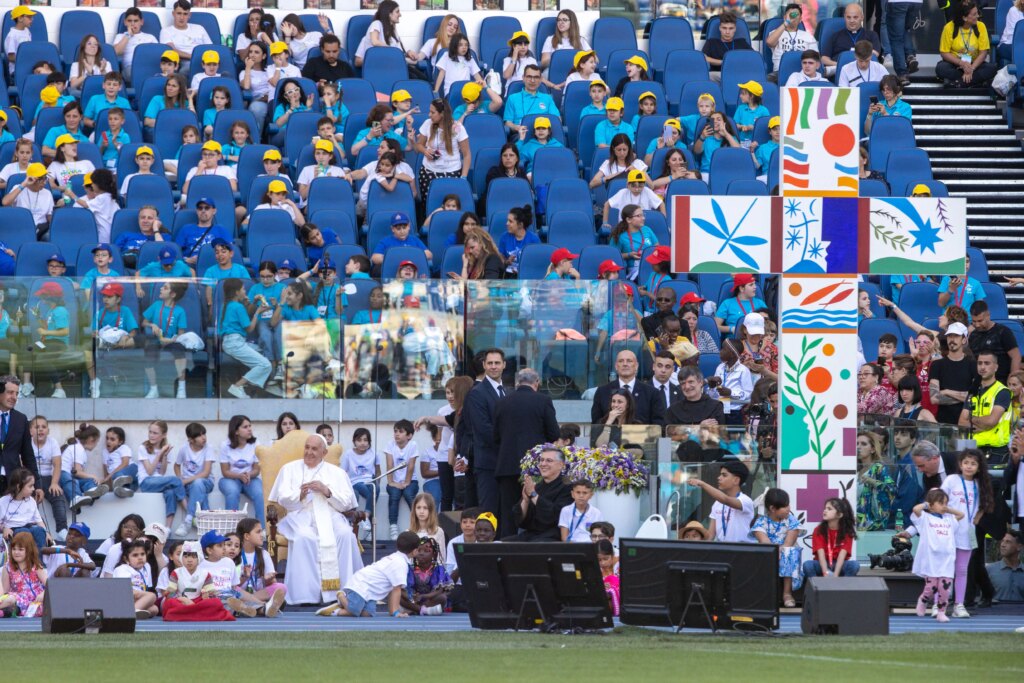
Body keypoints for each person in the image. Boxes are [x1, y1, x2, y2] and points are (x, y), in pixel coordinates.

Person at [268, 434, 362, 606]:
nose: (309, 452)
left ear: (324, 452)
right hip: (300, 516)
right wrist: (300, 494)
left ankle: (343, 591)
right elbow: (281, 497)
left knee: (345, 534)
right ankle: (306, 595)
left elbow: (347, 503)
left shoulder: (337, 473)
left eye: (314, 449)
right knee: (305, 537)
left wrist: (327, 491)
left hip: (330, 515)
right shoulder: (289, 469)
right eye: (307, 447)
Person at [493, 368, 560, 537]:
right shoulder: (543, 400)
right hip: (535, 467)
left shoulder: (502, 401)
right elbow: (554, 434)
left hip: (506, 465)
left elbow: (495, 436)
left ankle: (507, 550)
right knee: (534, 509)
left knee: (509, 513)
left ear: (517, 382)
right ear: (536, 383)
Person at [316, 530, 420, 617]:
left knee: (368, 614)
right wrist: (395, 612)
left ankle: (342, 607)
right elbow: (396, 589)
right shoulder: (400, 563)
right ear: (415, 551)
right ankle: (340, 599)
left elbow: (393, 589)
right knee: (354, 610)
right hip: (360, 585)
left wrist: (392, 611)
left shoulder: (397, 559)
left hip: (368, 592)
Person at [940, 448, 994, 617]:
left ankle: (959, 604)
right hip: (948, 531)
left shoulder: (980, 484)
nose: (969, 467)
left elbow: (984, 504)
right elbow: (939, 501)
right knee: (943, 568)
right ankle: (939, 603)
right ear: (960, 464)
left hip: (966, 533)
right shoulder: (951, 480)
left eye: (973, 463)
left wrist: (976, 519)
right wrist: (949, 516)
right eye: (966, 463)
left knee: (962, 569)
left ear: (979, 467)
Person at [463, 349, 507, 516]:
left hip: (504, 464)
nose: (493, 367)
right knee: (489, 513)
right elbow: (483, 429)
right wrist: (509, 443)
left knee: (505, 513)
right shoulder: (477, 393)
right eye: (490, 363)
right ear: (484, 365)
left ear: (504, 365)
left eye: (497, 363)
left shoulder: (506, 391)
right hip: (488, 464)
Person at [911, 489, 964, 622]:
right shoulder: (925, 518)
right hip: (931, 560)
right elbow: (916, 509)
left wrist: (947, 509)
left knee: (945, 589)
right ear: (931, 504)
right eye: (940, 503)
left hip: (946, 560)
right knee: (931, 587)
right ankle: (923, 600)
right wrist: (926, 505)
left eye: (946, 503)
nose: (944, 506)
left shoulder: (949, 520)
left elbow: (961, 514)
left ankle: (941, 612)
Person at [958, 350, 1012, 466]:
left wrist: (972, 420)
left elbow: (991, 421)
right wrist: (983, 424)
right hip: (973, 450)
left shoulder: (1002, 391)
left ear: (996, 367)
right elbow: (962, 422)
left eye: (987, 363)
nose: (982, 367)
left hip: (995, 452)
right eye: (980, 363)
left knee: (993, 484)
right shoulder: (973, 391)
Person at [510, 446, 573, 541]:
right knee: (500, 545)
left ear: (561, 465)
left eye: (549, 460)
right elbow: (520, 521)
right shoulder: (537, 487)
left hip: (552, 537)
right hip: (530, 535)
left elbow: (556, 515)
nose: (543, 464)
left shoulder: (567, 488)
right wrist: (525, 501)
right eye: (541, 460)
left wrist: (534, 495)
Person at [752, 488, 803, 607]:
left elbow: (789, 542)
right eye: (784, 506)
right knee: (762, 555)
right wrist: (775, 551)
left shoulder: (791, 520)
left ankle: (787, 594)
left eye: (788, 505)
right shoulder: (761, 522)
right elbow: (764, 541)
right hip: (769, 552)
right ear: (772, 508)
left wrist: (781, 550)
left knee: (789, 552)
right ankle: (765, 594)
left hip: (785, 552)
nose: (788, 508)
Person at [591, 349, 666, 426]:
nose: (625, 364)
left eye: (629, 361)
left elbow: (658, 425)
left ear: (636, 366)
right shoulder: (602, 391)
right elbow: (596, 423)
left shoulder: (652, 393)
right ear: (616, 366)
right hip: (611, 437)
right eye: (621, 361)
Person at [686, 460, 754, 542]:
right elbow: (711, 535)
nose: (719, 478)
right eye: (720, 474)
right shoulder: (717, 503)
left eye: (724, 475)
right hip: (721, 550)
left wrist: (702, 484)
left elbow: (725, 500)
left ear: (736, 480)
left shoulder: (745, 500)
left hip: (742, 550)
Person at [937, 1, 998, 88]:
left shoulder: (981, 26)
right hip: (956, 64)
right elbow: (944, 52)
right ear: (964, 18)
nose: (977, 16)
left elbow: (983, 53)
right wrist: (961, 63)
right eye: (974, 14)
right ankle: (973, 81)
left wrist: (971, 69)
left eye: (977, 13)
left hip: (974, 64)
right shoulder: (949, 27)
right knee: (941, 68)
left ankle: (958, 82)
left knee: (992, 69)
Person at [218, 415, 265, 527]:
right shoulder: (225, 445)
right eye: (245, 427)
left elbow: (257, 469)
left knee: (260, 493)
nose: (249, 429)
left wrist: (248, 474)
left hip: (251, 478)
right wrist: (239, 476)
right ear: (236, 431)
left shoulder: (255, 443)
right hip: (231, 478)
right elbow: (225, 471)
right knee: (232, 491)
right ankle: (232, 529)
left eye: (250, 426)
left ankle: (262, 530)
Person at [803, 498, 860, 577]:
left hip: (839, 564)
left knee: (854, 565)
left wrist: (835, 576)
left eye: (829, 509)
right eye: (825, 508)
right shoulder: (818, 530)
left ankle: (843, 587)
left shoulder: (847, 532)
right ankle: (818, 587)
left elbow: (842, 555)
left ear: (839, 515)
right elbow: (821, 554)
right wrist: (825, 573)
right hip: (822, 563)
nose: (825, 511)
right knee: (807, 565)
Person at [0, 377, 38, 494]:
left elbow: (28, 455)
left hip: (12, 482)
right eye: (10, 392)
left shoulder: (21, 419)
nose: (14, 397)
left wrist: (37, 485)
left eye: (17, 394)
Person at [383, 419, 419, 541]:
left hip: (410, 481)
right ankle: (393, 527)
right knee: (394, 494)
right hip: (393, 481)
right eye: (395, 431)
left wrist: (406, 482)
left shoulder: (413, 445)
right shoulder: (390, 444)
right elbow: (389, 464)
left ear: (409, 435)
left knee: (409, 494)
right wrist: (391, 482)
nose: (397, 434)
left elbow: (411, 465)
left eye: (401, 431)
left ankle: (418, 525)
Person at [969, 300, 1020, 384]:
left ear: (988, 315)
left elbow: (1016, 357)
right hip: (981, 383)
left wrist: (1012, 381)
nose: (977, 325)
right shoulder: (973, 335)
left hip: (1002, 382)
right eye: (974, 321)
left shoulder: (1003, 332)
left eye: (980, 321)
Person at [399, 536, 453, 616]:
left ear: (434, 554)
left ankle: (415, 610)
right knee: (398, 595)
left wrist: (423, 596)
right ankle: (422, 610)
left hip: (431, 600)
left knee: (442, 597)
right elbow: (406, 588)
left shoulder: (439, 569)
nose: (421, 553)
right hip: (414, 599)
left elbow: (440, 590)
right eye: (419, 550)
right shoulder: (410, 569)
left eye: (426, 551)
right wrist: (413, 596)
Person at [342, 428, 378, 541]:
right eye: (359, 440)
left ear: (369, 442)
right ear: (354, 441)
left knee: (375, 488)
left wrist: (376, 481)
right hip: (355, 481)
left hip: (369, 480)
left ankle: (366, 516)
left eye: (365, 440)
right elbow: (343, 471)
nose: (362, 443)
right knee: (368, 491)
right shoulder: (348, 454)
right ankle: (363, 519)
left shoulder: (373, 453)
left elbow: (378, 471)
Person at [0, 469, 49, 551]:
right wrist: (4, 529)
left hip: (29, 527)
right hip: (12, 530)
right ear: (18, 487)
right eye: (30, 486)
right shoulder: (3, 502)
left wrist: (46, 533)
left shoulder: (31, 501)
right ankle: (26, 561)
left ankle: (39, 562)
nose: (33, 489)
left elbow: (39, 521)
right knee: (24, 532)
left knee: (39, 531)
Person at [0, 531, 46, 618]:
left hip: (35, 601)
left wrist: (43, 594)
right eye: (14, 549)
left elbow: (50, 585)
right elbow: (6, 591)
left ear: (29, 550)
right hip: (17, 599)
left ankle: (6, 612)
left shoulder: (36, 566)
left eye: (20, 549)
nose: (16, 552)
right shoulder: (7, 567)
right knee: (10, 599)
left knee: (46, 606)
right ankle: (7, 611)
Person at [503, 64, 560, 134]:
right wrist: (517, 128)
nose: (532, 80)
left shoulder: (547, 98)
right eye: (529, 77)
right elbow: (507, 122)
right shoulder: (512, 98)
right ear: (523, 78)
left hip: (543, 134)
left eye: (536, 77)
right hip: (522, 134)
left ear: (540, 79)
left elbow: (557, 119)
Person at [857, 430, 896, 531]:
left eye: (863, 444)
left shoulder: (878, 468)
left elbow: (892, 489)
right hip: (855, 524)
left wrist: (872, 481)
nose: (858, 447)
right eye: (856, 443)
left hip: (873, 525)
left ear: (873, 449)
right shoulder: (855, 469)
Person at [766, 3, 819, 73]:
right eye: (790, 14)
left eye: (796, 14)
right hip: (780, 72)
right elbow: (769, 43)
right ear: (785, 17)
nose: (793, 17)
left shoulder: (808, 36)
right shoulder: (777, 33)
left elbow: (816, 58)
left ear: (800, 19)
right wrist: (786, 22)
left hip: (802, 73)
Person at [160, 0, 212, 70]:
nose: (182, 17)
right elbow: (172, 50)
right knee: (188, 66)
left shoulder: (199, 28)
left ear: (189, 15)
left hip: (203, 59)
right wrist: (193, 57)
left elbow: (210, 48)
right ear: (173, 14)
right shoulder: (166, 31)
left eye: (185, 14)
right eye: (179, 13)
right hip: (182, 60)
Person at [702, 10, 752, 80]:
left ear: (735, 29)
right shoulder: (711, 42)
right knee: (708, 76)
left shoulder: (742, 42)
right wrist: (724, 62)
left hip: (739, 75)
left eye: (731, 28)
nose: (727, 32)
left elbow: (754, 58)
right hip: (719, 75)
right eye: (724, 28)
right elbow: (703, 58)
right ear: (720, 28)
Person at [114, 8, 158, 82]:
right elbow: (116, 52)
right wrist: (128, 35)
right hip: (130, 67)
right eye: (129, 21)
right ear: (125, 22)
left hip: (148, 66)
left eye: (136, 21)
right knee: (134, 74)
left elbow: (158, 53)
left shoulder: (150, 37)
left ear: (141, 22)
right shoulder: (120, 36)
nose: (132, 24)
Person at [985, 530, 1024, 602]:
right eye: (1002, 541)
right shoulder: (989, 570)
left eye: (1008, 542)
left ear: (1019, 547)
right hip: (995, 612)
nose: (1003, 545)